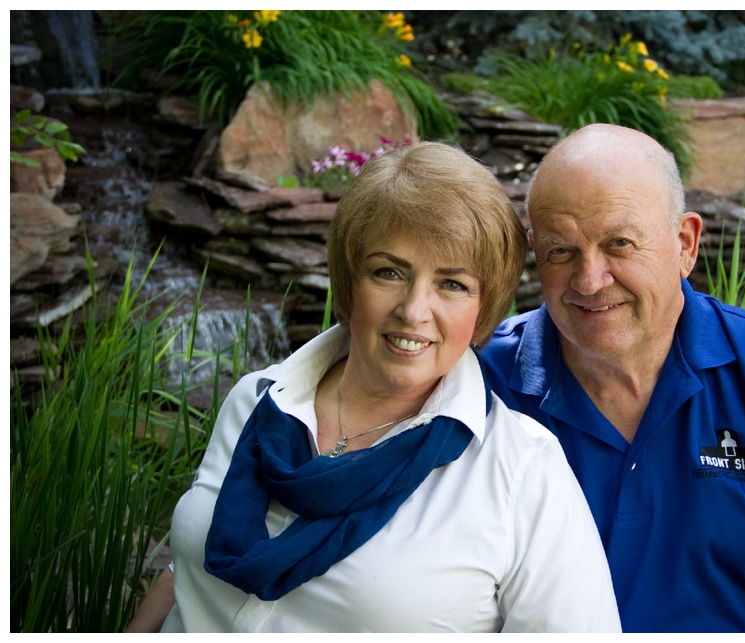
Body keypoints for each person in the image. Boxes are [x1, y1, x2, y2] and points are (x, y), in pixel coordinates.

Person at [127, 143, 619, 632]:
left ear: (483, 306)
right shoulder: (254, 401)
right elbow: (185, 573)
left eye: (452, 284)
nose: (413, 309)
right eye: (389, 272)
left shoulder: (523, 475)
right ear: (350, 280)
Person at [477, 124, 745, 632]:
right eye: (561, 251)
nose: (590, 280)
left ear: (685, 244)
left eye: (619, 243)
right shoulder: (485, 385)